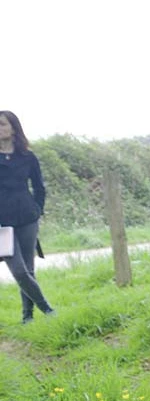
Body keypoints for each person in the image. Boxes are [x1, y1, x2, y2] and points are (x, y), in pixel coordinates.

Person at [0, 110, 54, 323]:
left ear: (13, 127)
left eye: (2, 124)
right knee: (19, 271)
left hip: (27, 216)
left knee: (29, 270)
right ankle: (48, 310)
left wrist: (38, 209)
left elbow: (39, 187)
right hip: (2, 221)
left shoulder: (28, 157)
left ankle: (27, 317)